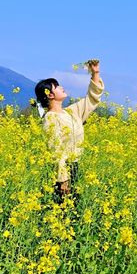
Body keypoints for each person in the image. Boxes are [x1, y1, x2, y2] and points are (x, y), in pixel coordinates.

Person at [35, 59, 103, 203]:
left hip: (75, 168)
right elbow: (55, 151)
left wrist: (95, 73)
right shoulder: (50, 119)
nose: (62, 87)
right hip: (62, 174)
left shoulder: (71, 112)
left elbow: (91, 99)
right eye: (57, 87)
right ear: (50, 95)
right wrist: (63, 181)